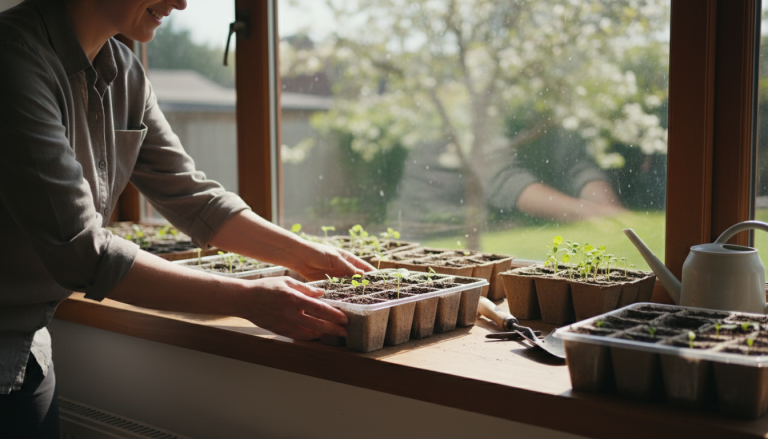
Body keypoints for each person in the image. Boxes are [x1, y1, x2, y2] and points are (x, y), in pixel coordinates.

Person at [0, 0, 374, 436]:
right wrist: (247, 299)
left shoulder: (124, 71)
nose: (181, 1)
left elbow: (194, 199)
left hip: (28, 353)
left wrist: (312, 255)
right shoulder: (13, 60)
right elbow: (82, 252)